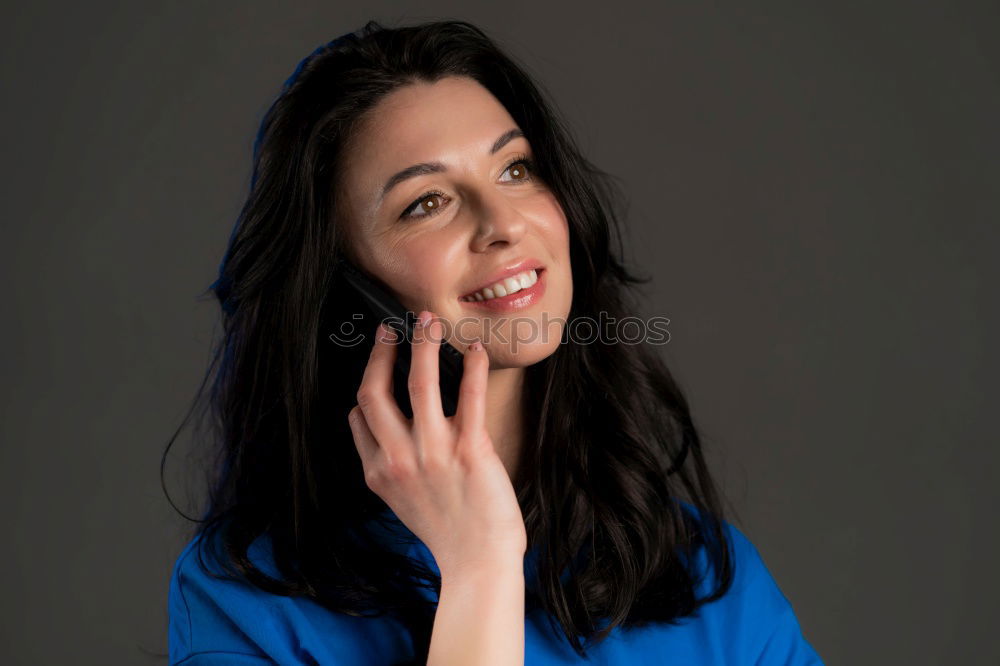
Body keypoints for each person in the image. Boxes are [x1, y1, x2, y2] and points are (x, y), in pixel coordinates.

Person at [164, 19, 824, 665]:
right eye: (425, 203)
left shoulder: (705, 576)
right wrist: (479, 570)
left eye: (515, 170)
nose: (503, 222)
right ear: (346, 288)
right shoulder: (246, 599)